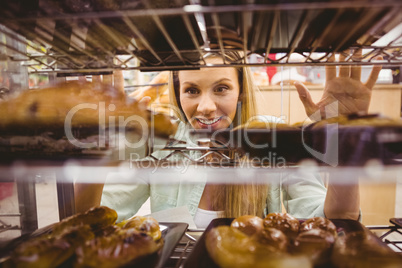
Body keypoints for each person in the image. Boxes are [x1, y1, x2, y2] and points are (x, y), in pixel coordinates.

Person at [75, 50, 382, 228]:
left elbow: (336, 221)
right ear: (179, 94)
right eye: (192, 90)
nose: (206, 106)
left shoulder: (274, 137)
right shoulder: (160, 143)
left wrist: (346, 145)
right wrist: (96, 151)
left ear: (240, 93)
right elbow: (93, 221)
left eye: (221, 88)